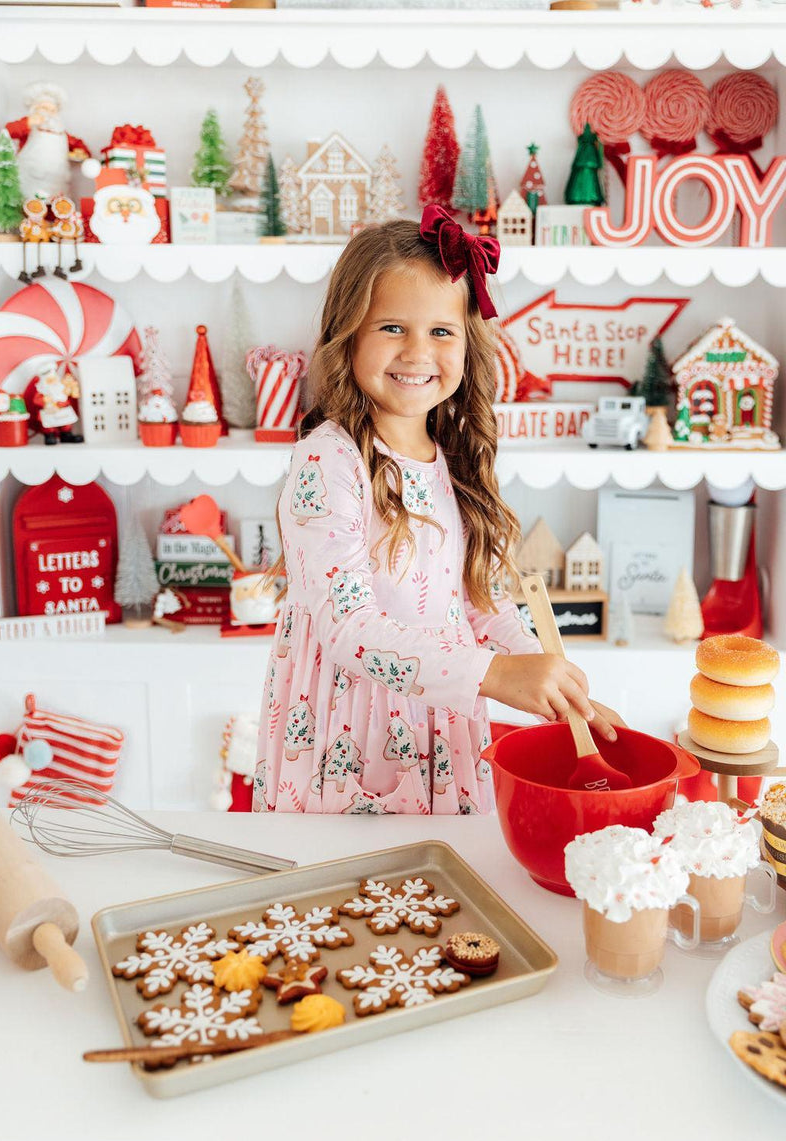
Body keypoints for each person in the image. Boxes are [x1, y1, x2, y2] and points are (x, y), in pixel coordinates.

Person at [254, 206, 619, 815]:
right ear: (349, 334)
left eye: (441, 332)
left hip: (440, 720)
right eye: (392, 327)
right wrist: (497, 677)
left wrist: (535, 664)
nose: (417, 352)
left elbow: (475, 601)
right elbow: (348, 629)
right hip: (352, 732)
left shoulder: (451, 456)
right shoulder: (329, 461)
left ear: (467, 345)